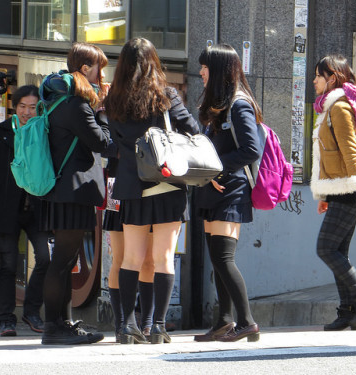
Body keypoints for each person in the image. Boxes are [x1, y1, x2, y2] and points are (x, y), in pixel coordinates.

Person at [104, 37, 199, 344]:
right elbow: (193, 131)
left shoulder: (113, 102)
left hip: (132, 186)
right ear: (154, 63)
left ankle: (128, 325)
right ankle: (157, 325)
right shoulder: (166, 96)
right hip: (168, 183)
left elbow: (117, 145)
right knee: (163, 258)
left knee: (130, 258)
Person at [39, 42, 110, 345]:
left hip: (63, 190)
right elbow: (101, 142)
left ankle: (61, 323)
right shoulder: (77, 105)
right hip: (73, 191)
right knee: (62, 262)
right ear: (85, 69)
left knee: (64, 262)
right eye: (99, 69)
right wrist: (103, 113)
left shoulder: (58, 100)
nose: (101, 75)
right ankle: (54, 327)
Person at [311, 54, 356, 331]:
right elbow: (332, 156)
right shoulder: (330, 107)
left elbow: (351, 152)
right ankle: (349, 311)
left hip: (351, 189)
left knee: (325, 248)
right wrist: (326, 196)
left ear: (332, 77)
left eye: (319, 75)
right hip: (340, 190)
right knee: (338, 249)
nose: (315, 81)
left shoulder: (339, 107)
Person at [194, 44, 262, 343]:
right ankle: (223, 321)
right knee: (216, 257)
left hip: (231, 189)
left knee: (223, 258)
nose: (201, 73)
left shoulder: (239, 104)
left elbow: (250, 149)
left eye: (205, 68)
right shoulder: (219, 104)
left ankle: (246, 321)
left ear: (219, 69)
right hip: (214, 188)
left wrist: (218, 169)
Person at [0, 85, 51, 337]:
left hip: (37, 206)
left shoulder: (45, 130)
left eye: (32, 107)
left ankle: (31, 312)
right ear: (14, 107)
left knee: (45, 257)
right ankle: (6, 319)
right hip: (6, 207)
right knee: (7, 265)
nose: (27, 112)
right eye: (22, 107)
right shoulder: (1, 132)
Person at [103, 158, 155, 341]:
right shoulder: (116, 127)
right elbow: (104, 144)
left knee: (148, 261)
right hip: (117, 184)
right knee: (120, 258)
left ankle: (148, 323)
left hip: (149, 184)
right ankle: (121, 324)